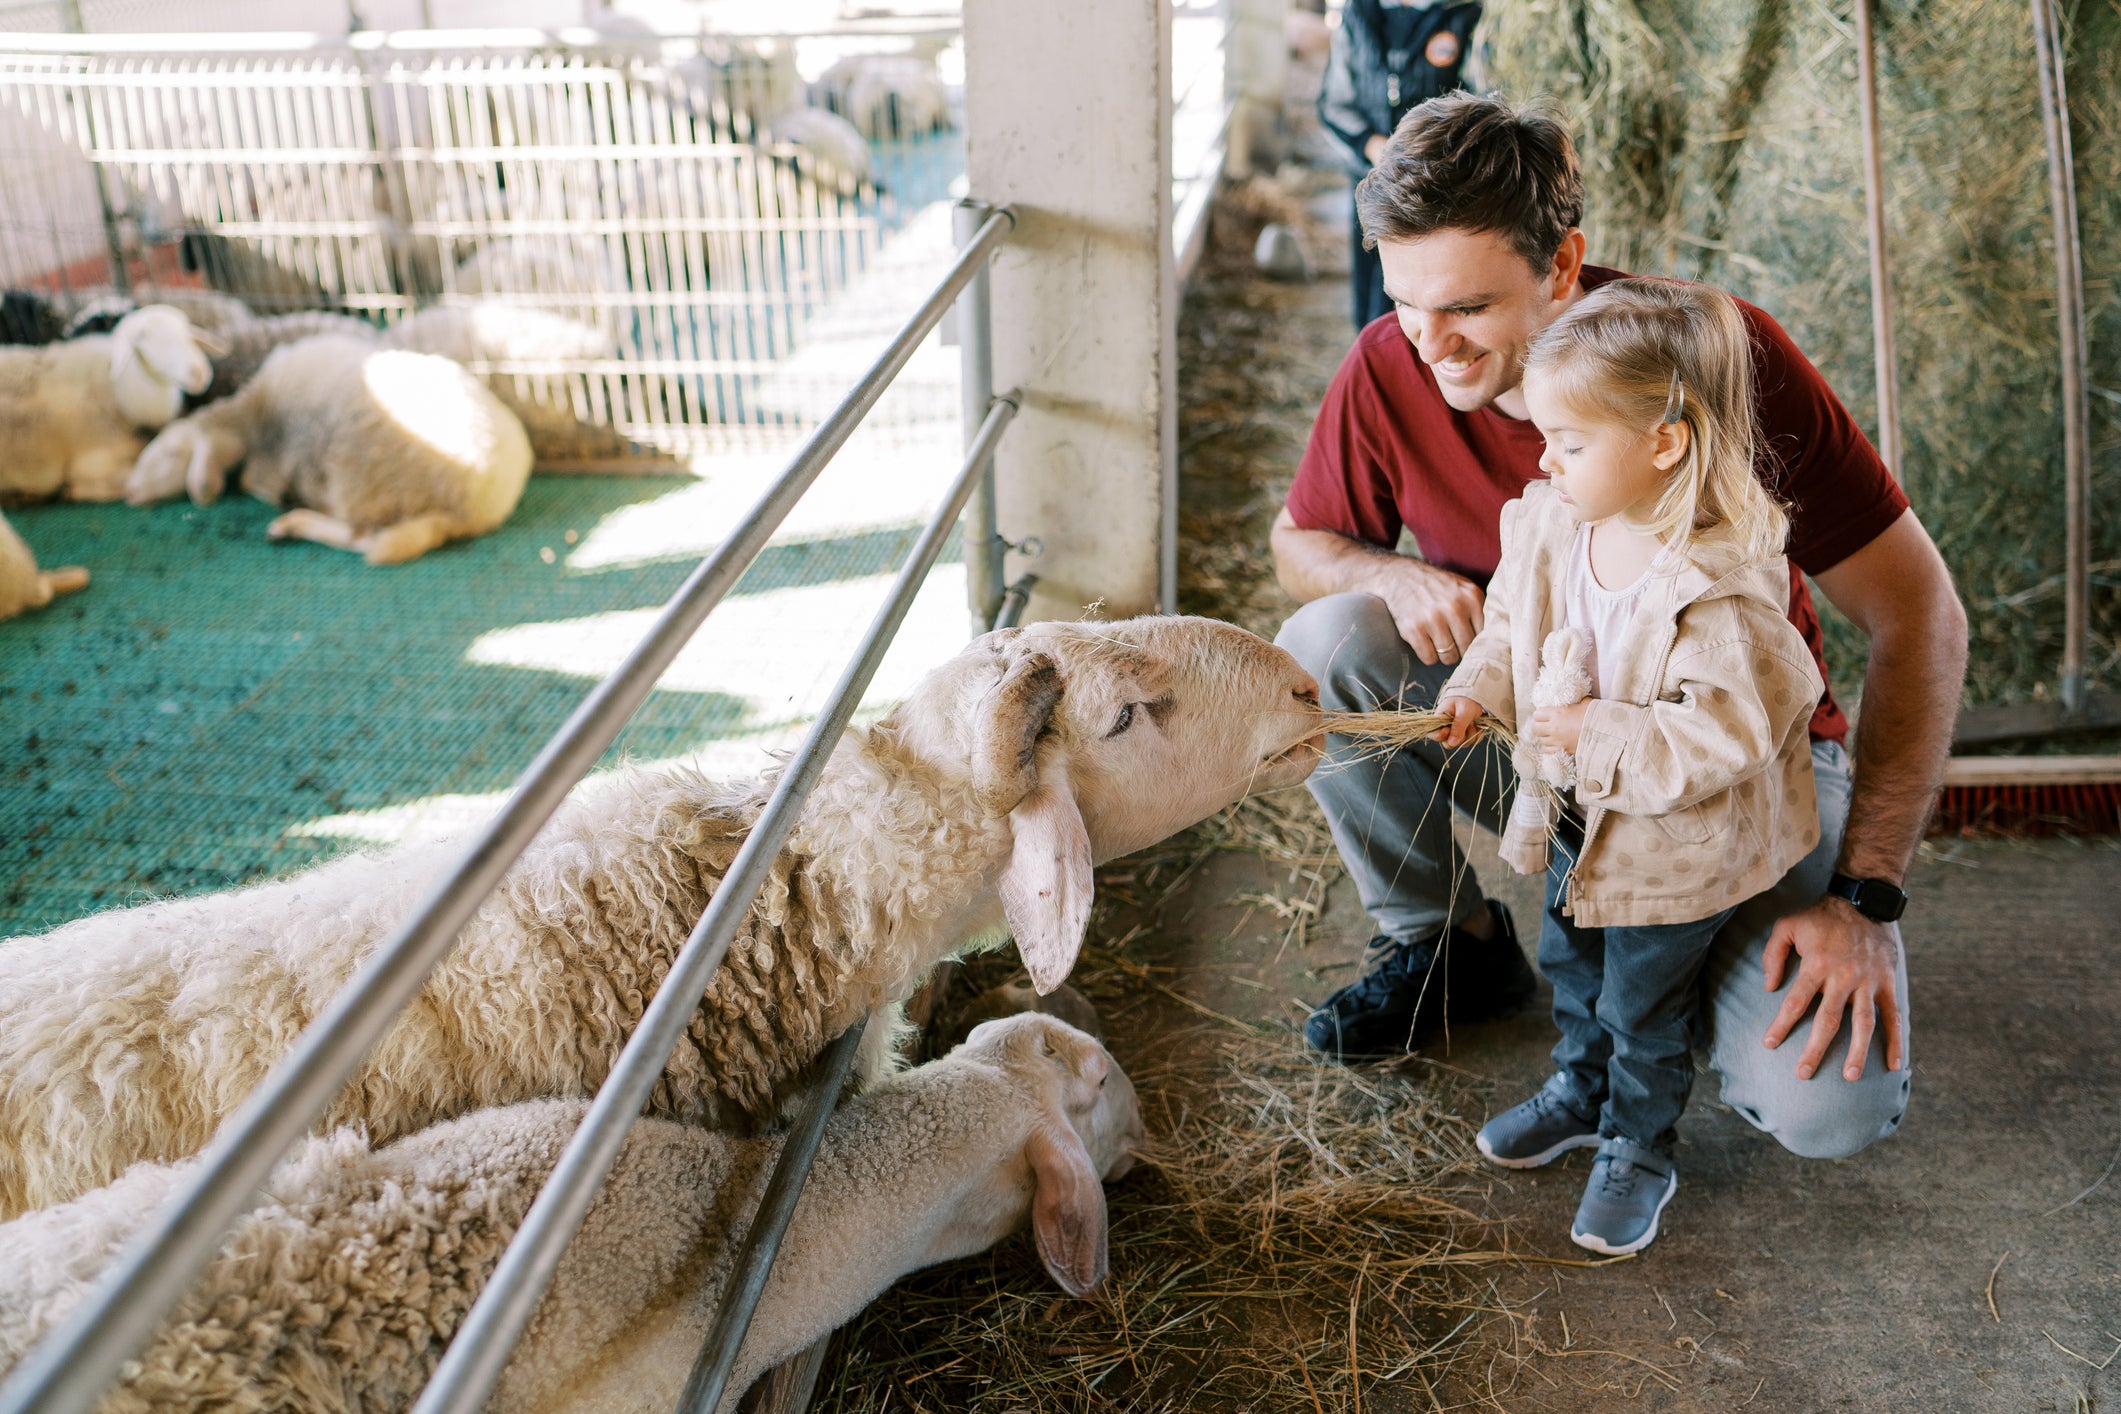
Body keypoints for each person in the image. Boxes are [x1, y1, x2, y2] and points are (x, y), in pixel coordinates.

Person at [1272, 92, 1968, 1163]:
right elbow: (1300, 541)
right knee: (1327, 642)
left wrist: (1866, 897)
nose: (1429, 341)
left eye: (1464, 306)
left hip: (1726, 768)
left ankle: (1662, 971)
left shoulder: (1717, 359)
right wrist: (1392, 573)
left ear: (1562, 266)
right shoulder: (1389, 360)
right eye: (1405, 299)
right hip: (1549, 741)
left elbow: (1920, 610)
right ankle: (1446, 945)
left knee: (1829, 1107)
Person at [1432, 278, 1824, 1253]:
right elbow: (1513, 626)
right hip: (1580, 814)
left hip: (1673, 848)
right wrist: (1482, 687)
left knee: (1644, 1002)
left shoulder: (1717, 589)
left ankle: (1638, 1142)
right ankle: (1581, 1083)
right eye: (1546, 439)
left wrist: (1587, 730)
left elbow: (1714, 738)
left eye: (1571, 442)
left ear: (1662, 442)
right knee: (1571, 956)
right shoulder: (1556, 529)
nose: (1547, 460)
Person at [1318, 0, 1483, 330]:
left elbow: (1481, 97)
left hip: (1435, 186)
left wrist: (1433, 152)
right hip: (1370, 179)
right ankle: (1369, 354)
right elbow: (1335, 103)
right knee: (1370, 288)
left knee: (1419, 293)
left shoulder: (1461, 13)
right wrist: (1373, 145)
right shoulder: (1360, 14)